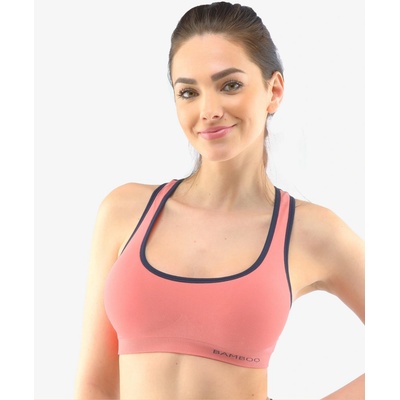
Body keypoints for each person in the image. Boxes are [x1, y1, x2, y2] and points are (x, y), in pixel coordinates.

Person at [74, 2, 365, 399]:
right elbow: (94, 385)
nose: (208, 111)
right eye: (188, 92)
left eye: (230, 85)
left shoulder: (309, 231)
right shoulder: (124, 211)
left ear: (273, 91)